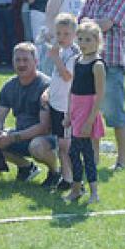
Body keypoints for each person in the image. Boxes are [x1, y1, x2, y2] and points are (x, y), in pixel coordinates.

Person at [0, 43, 60, 186]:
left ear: (36, 62)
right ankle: (26, 167)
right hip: (21, 134)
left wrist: (11, 137)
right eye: (18, 60)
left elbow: (44, 127)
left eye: (25, 60)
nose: (21, 64)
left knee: (37, 146)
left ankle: (55, 172)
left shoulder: (45, 86)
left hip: (48, 137)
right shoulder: (9, 85)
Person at [79, 0, 125, 171]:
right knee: (91, 112)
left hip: (111, 63)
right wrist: (89, 26)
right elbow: (78, 26)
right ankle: (95, 158)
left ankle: (121, 161)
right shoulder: (89, 1)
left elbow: (107, 25)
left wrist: (88, 25)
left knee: (115, 113)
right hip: (89, 64)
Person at [64, 20, 106, 203]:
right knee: (74, 153)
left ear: (97, 41)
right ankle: (76, 188)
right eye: (80, 39)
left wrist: (90, 120)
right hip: (76, 109)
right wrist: (68, 113)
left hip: (88, 112)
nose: (83, 43)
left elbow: (99, 95)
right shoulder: (77, 61)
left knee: (86, 153)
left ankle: (93, 192)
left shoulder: (97, 65)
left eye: (88, 39)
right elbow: (72, 89)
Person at [45, 13, 81, 190]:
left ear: (74, 35)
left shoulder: (74, 54)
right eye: (59, 34)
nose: (62, 38)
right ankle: (66, 178)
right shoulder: (60, 50)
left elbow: (67, 77)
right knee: (61, 145)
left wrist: (56, 58)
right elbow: (56, 77)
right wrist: (48, 92)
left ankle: (76, 181)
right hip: (56, 103)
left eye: (66, 34)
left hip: (68, 107)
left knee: (66, 146)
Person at [41, 0, 87, 73]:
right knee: (51, 70)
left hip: (74, 40)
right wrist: (55, 36)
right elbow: (50, 16)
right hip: (57, 39)